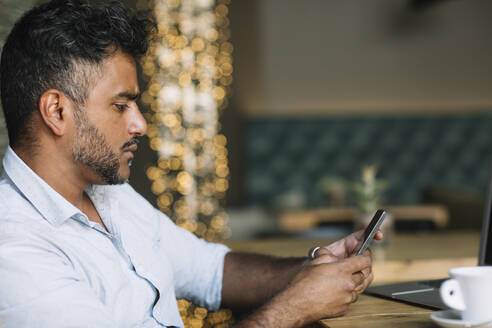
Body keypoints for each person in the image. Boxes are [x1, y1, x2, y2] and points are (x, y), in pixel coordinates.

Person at [0, 1, 381, 327]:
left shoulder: (108, 194)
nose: (140, 124)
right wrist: (294, 309)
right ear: (56, 110)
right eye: (121, 106)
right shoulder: (13, 250)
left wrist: (316, 268)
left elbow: (212, 272)